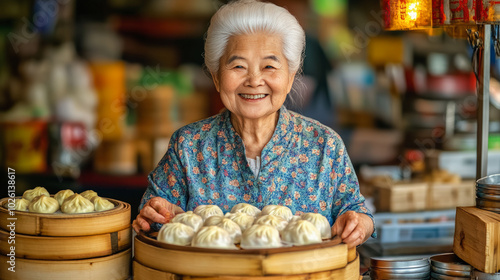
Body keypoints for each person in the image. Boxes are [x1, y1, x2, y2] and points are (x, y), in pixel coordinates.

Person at [132, 0, 375, 248]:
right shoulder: (188, 146)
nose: (255, 80)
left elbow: (354, 210)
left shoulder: (324, 145)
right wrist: (157, 214)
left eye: (269, 66)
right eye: (238, 66)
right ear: (216, 77)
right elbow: (152, 217)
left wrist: (360, 223)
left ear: (290, 77)